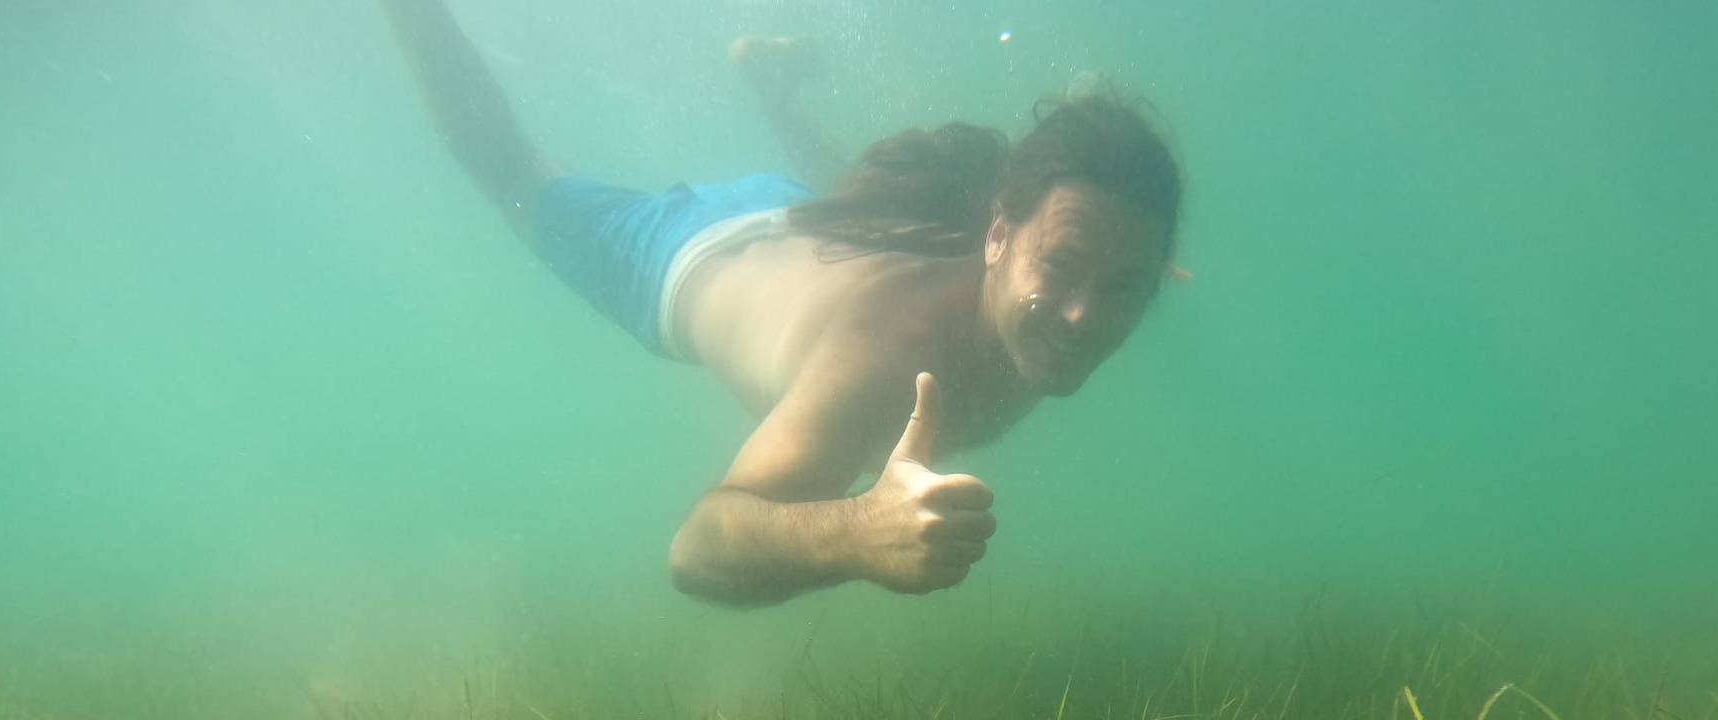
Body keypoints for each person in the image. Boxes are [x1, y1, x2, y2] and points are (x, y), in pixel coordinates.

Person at [379, 1, 1184, 606]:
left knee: (852, 200)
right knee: (511, 171)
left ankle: (764, 83)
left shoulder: (1037, 247)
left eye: (1124, 286)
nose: (1084, 317)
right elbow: (697, 548)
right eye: (1065, 265)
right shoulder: (887, 362)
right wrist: (856, 532)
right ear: (999, 235)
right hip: (684, 253)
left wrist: (1100, 260)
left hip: (808, 220)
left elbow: (1076, 239)